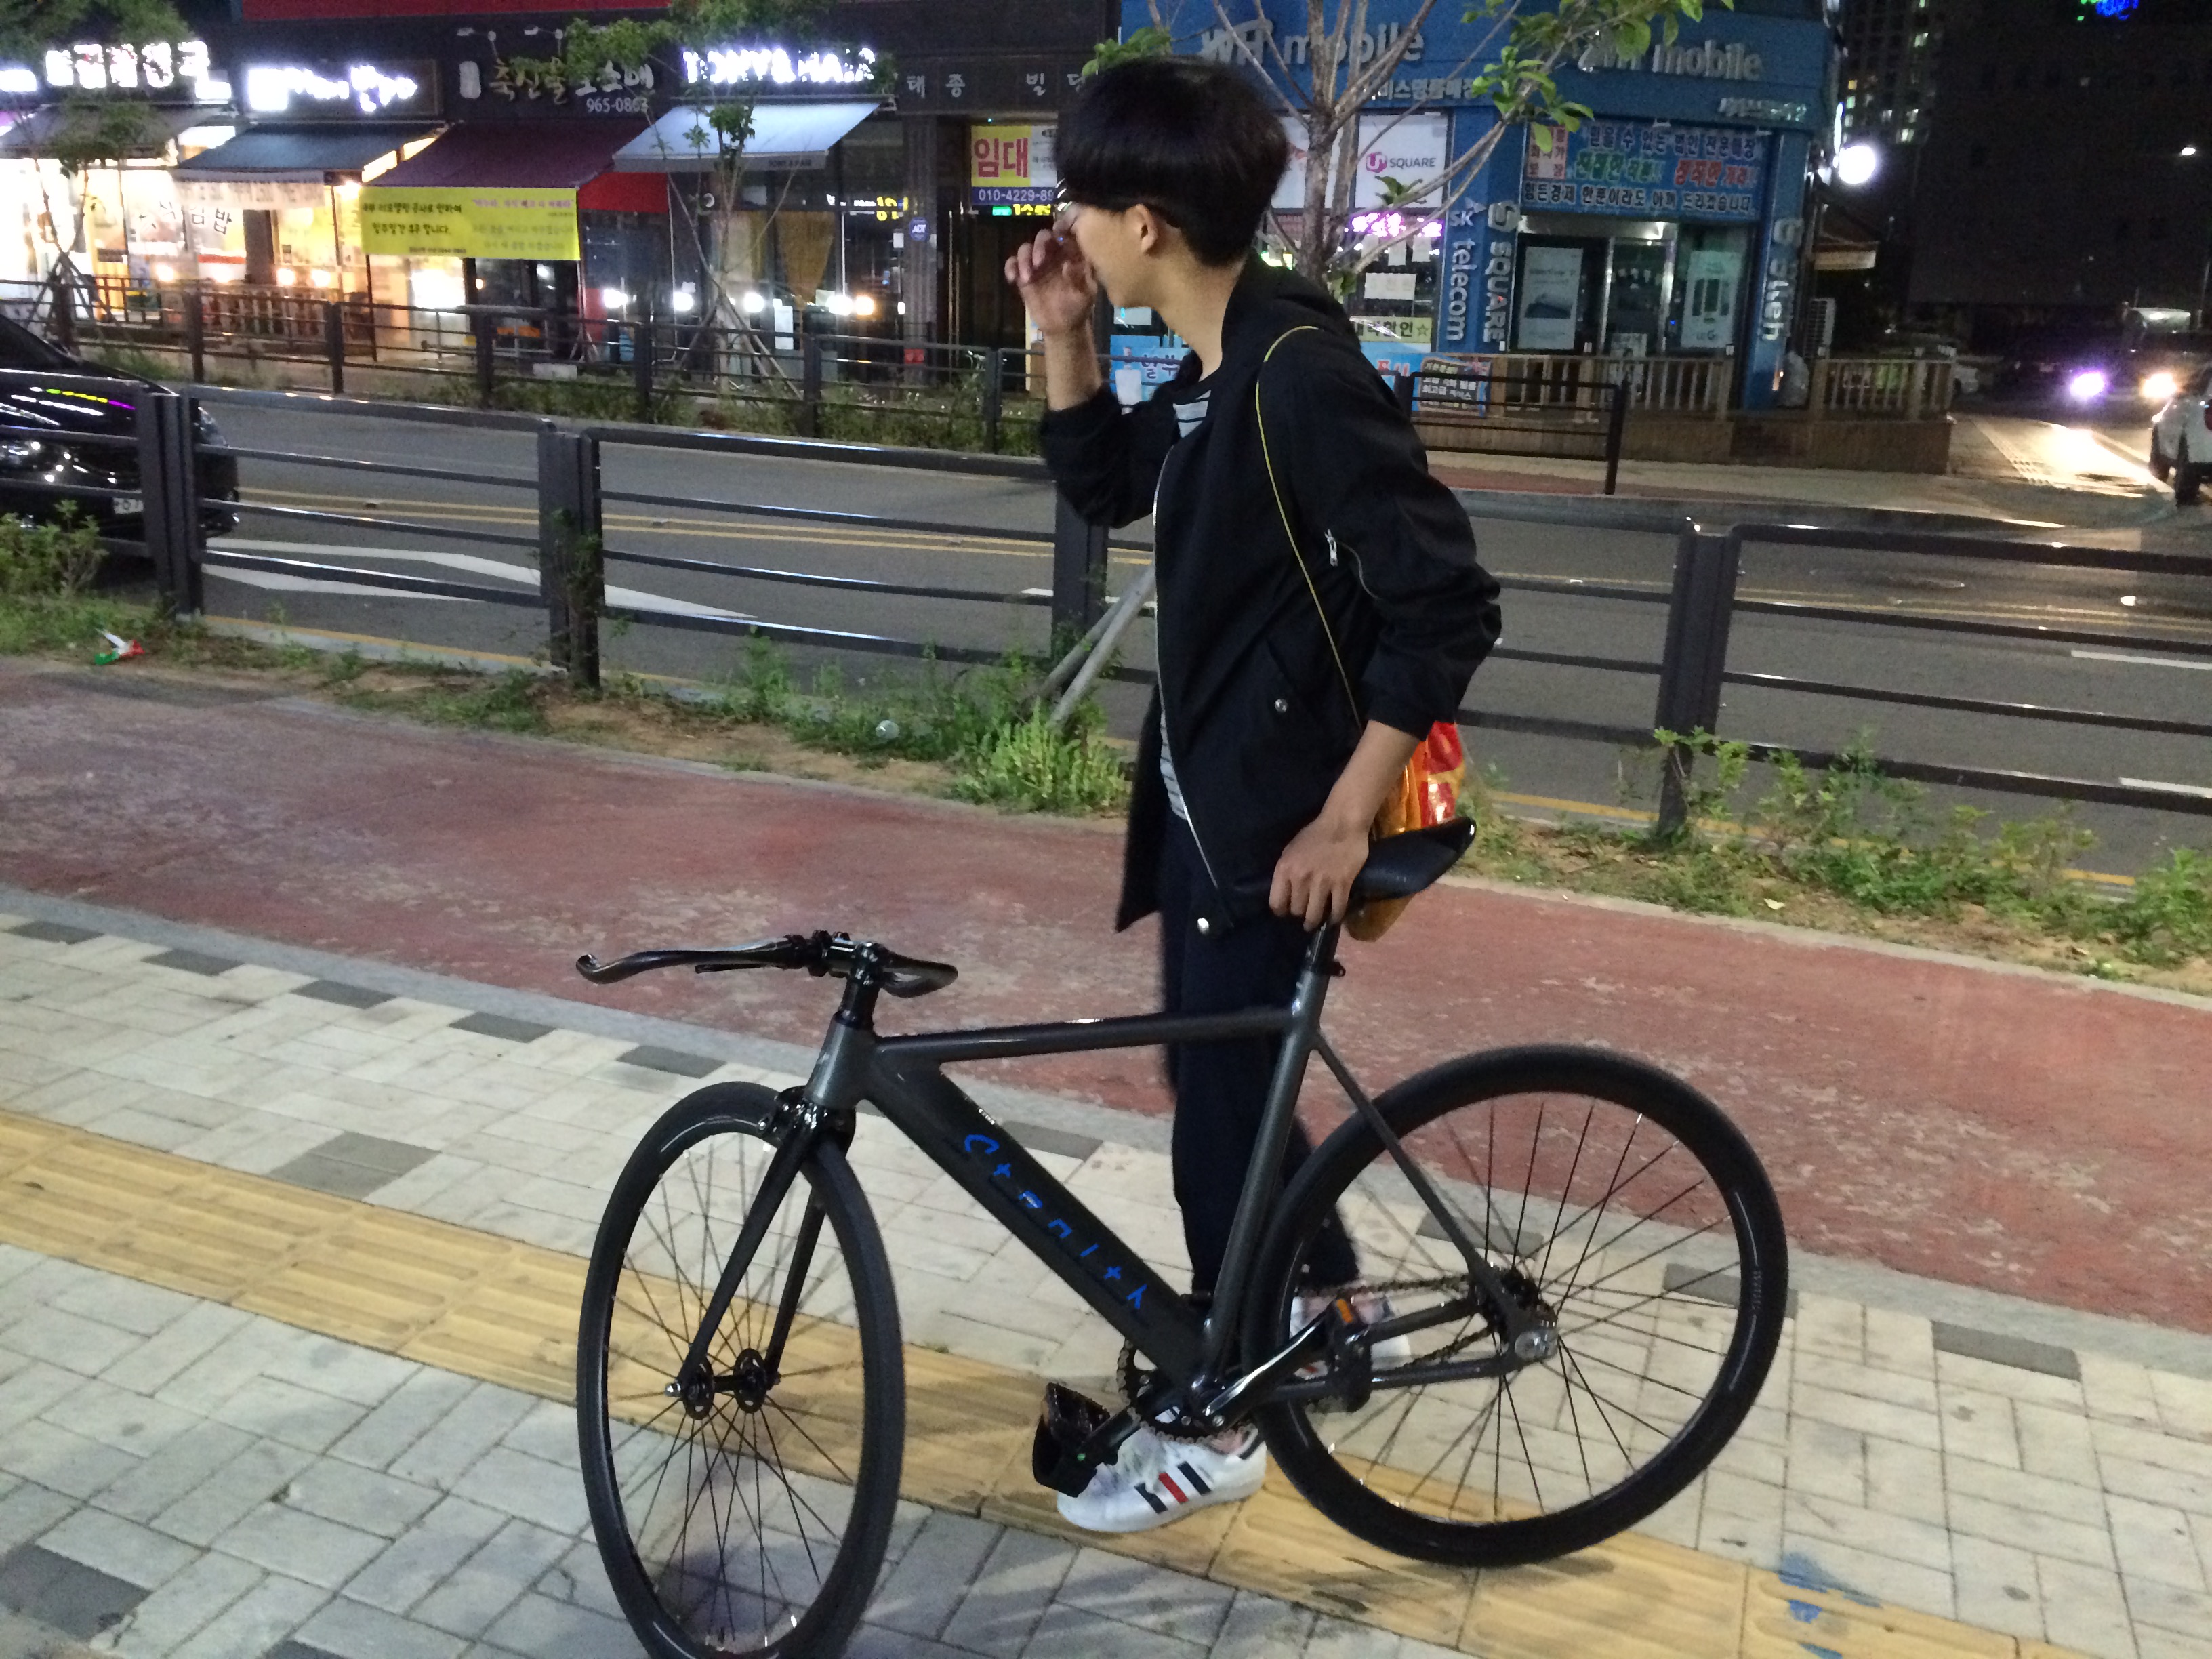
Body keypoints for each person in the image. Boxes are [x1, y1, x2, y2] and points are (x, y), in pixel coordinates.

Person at [1005, 56, 1502, 1532]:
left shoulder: (1298, 377)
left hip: (1281, 827)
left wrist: (1347, 816)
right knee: (1223, 1087)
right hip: (1214, 808)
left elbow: (1448, 604)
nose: (1066, 227)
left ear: (1145, 222)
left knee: (1220, 1126)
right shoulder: (1226, 365)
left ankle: (1227, 1422)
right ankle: (1323, 1309)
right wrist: (1063, 338)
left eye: (1080, 204)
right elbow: (1109, 486)